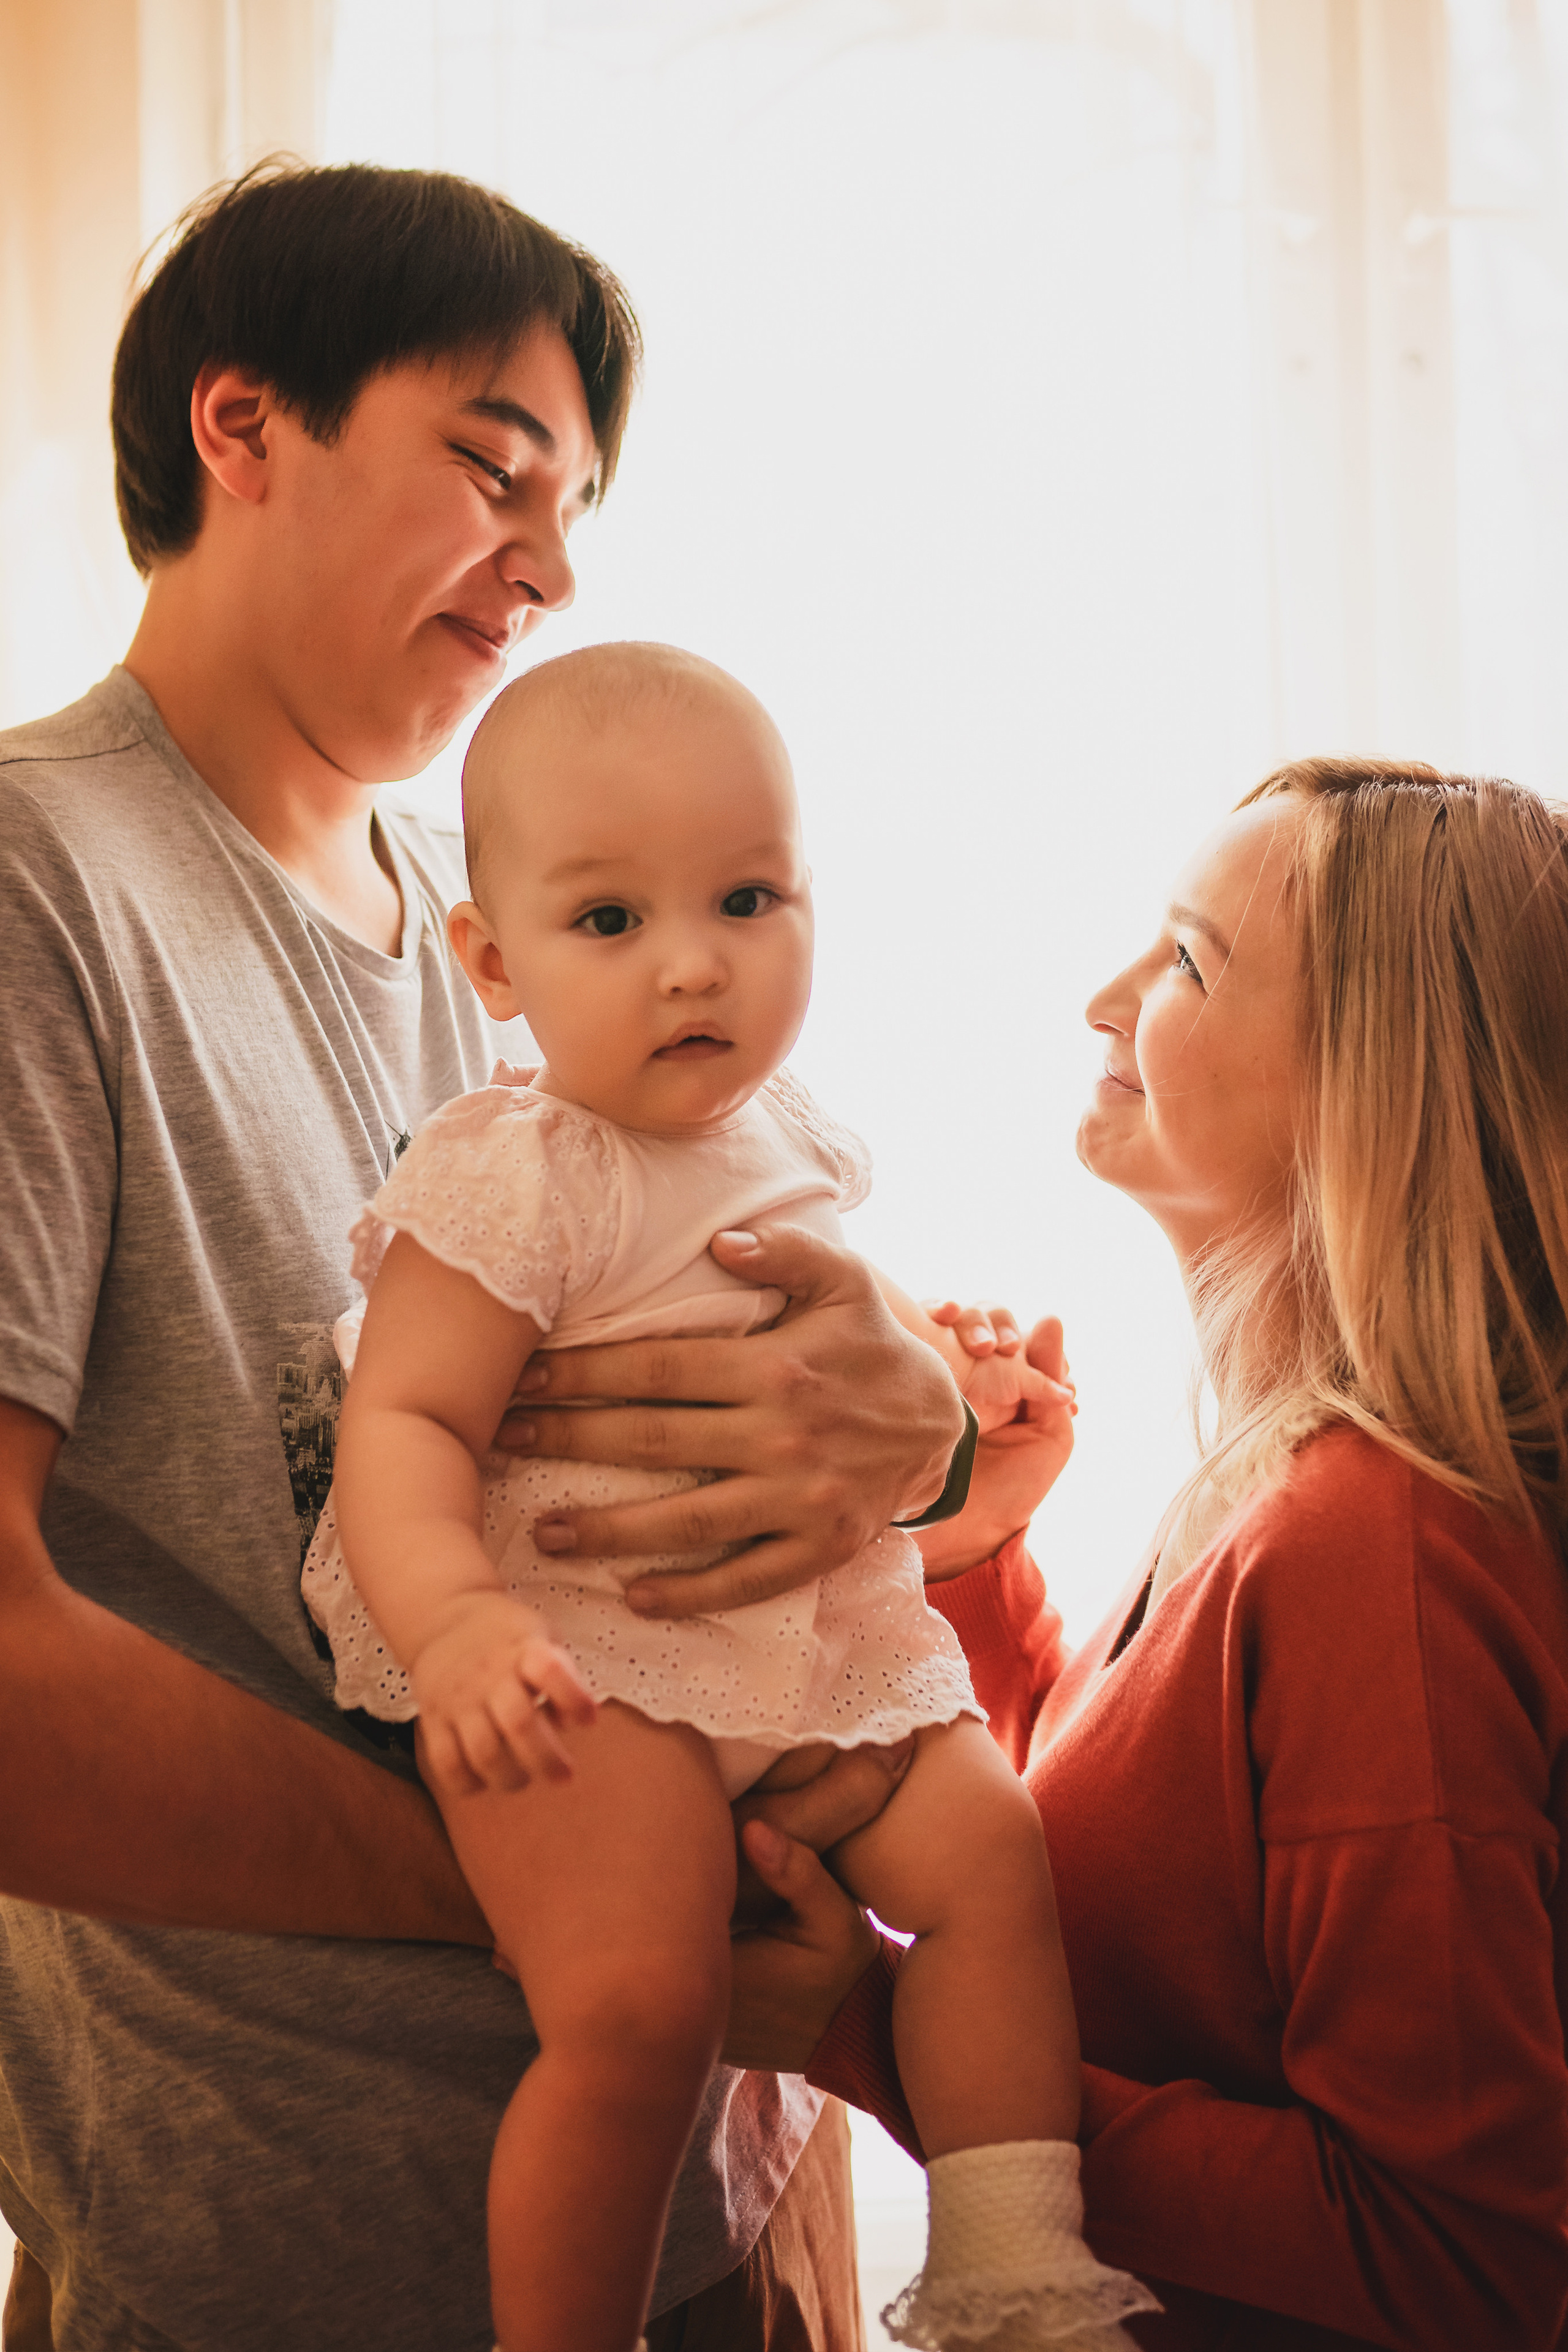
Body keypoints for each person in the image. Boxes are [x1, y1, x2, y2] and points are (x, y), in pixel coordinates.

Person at [0, 163, 974, 2352]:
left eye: (577, 509)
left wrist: (912, 1433)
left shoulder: (526, 914)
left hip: (709, 2206)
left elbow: (734, 1327)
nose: (548, 566)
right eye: (493, 467)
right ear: (242, 429)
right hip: (291, 2261)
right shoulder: (36, 883)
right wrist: (579, 1896)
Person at [302, 641, 1152, 2352]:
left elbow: (826, 1317)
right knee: (638, 1999)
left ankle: (1012, 2264)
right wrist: (458, 1629)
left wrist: (947, 1373)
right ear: (493, 962)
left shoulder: (791, 1128)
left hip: (805, 1640)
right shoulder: (511, 1170)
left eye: (749, 899)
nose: (694, 965)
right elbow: (401, 1427)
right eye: (610, 923)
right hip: (580, 1654)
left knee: (992, 1849)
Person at [723, 760, 1568, 2351]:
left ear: (1367, 1082)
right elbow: (1142, 1901)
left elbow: (1460, 2257)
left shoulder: (1376, 1551)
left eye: (1186, 960)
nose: (1105, 998)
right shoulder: (1286, 1486)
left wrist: (870, 2027)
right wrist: (979, 1561)